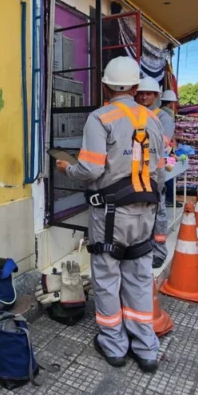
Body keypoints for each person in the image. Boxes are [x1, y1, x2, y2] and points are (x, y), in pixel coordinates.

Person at [56, 57, 165, 373]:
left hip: (110, 215)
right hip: (145, 211)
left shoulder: (100, 117)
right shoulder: (153, 119)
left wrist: (68, 169)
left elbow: (91, 169)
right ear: (135, 87)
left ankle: (114, 346)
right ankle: (146, 349)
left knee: (106, 278)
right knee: (139, 278)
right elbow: (158, 171)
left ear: (105, 86)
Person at [136, 78, 173, 269]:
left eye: (148, 94)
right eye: (141, 93)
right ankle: (143, 247)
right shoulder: (134, 113)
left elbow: (162, 143)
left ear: (156, 96)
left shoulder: (162, 117)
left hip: (154, 174)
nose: (144, 97)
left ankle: (159, 252)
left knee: (158, 212)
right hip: (135, 172)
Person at [160, 89, 179, 206]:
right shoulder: (169, 114)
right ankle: (170, 199)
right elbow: (170, 132)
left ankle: (168, 198)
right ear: (171, 102)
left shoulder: (158, 111)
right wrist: (173, 148)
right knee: (170, 172)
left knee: (164, 173)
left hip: (162, 147)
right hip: (166, 148)